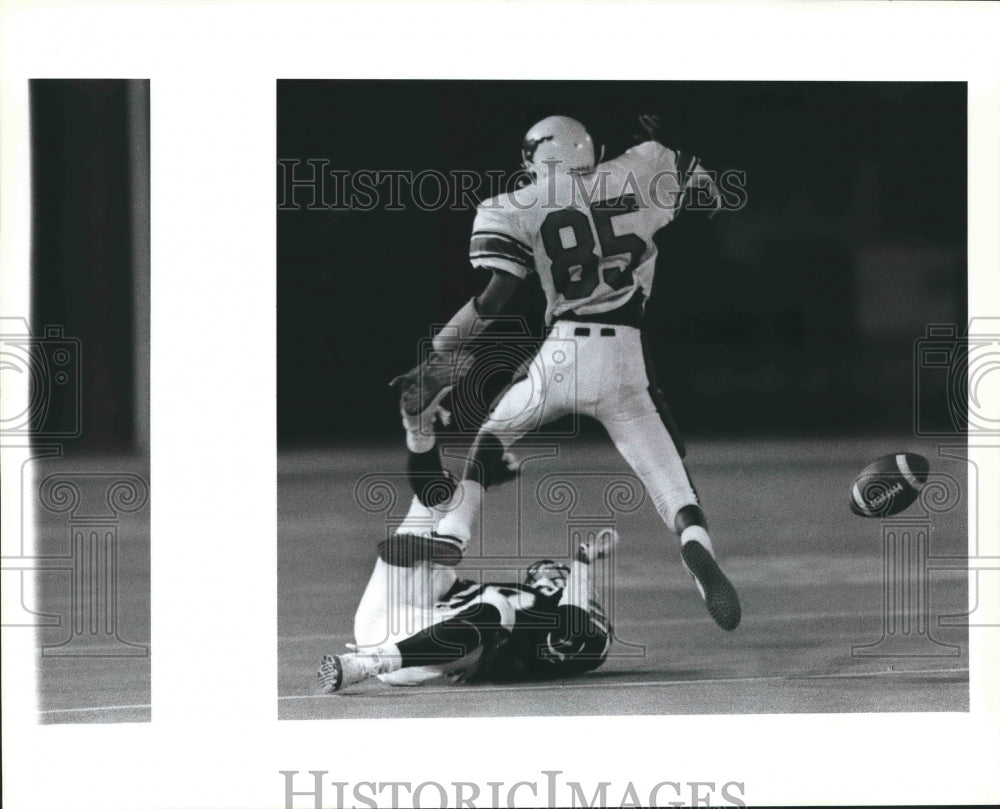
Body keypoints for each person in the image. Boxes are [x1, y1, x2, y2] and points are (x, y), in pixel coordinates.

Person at [396, 114, 741, 632]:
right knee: (670, 482)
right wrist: (673, 151)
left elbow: (492, 301)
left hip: (562, 352)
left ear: (533, 158)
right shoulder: (643, 165)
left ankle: (456, 532)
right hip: (624, 358)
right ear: (591, 149)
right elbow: (706, 188)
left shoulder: (511, 206)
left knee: (490, 436)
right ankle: (696, 547)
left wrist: (439, 353)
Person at [318, 396, 614, 693]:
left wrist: (581, 566)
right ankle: (419, 429)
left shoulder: (564, 620)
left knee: (496, 609)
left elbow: (570, 629)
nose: (546, 573)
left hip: (412, 655)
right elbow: (393, 551)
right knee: (441, 493)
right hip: (398, 614)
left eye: (554, 577)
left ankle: (367, 664)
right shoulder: (517, 598)